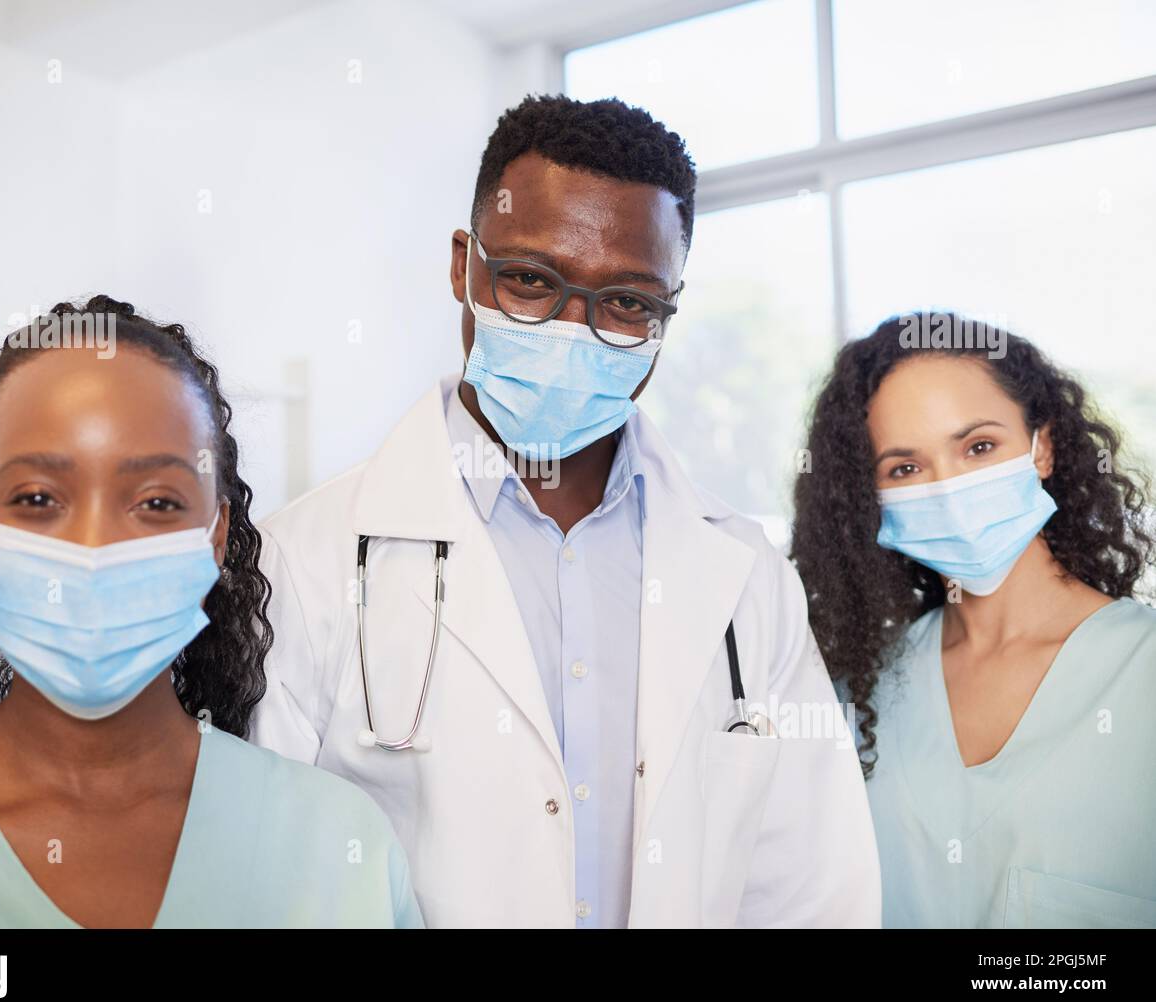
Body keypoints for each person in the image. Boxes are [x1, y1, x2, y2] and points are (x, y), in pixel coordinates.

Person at [250, 95, 879, 928]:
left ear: (668, 311)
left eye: (628, 302)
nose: (573, 331)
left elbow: (812, 886)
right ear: (462, 269)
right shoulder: (306, 559)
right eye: (531, 282)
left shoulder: (745, 578)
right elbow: (267, 876)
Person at [0, 296, 422, 929]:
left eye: (155, 503)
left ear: (215, 535)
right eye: (38, 497)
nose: (95, 546)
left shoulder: (341, 850)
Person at [790, 312, 1156, 928]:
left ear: (1042, 446)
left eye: (978, 447)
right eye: (904, 468)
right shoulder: (856, 692)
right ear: (869, 499)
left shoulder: (1140, 672)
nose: (948, 490)